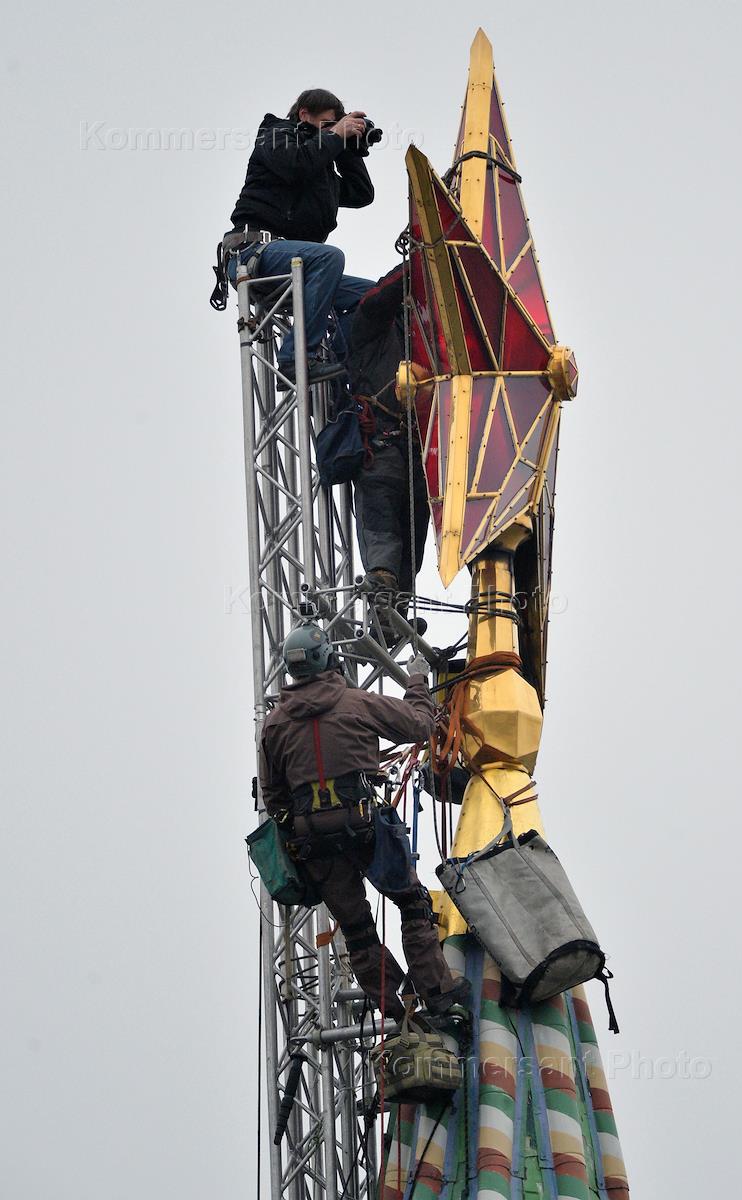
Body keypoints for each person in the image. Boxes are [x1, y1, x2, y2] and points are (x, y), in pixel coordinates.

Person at [258, 623, 470, 1021]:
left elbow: (274, 798)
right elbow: (420, 724)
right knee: (412, 903)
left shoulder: (275, 725)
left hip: (315, 846)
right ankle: (439, 994)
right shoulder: (356, 703)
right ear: (329, 660)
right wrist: (418, 680)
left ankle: (400, 1012)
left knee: (357, 931)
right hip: (365, 830)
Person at [224, 89, 376, 387]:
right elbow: (295, 165)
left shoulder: (318, 170)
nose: (332, 131)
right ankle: (295, 358)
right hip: (252, 250)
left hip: (293, 261)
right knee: (330, 257)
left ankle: (341, 376)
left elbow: (361, 193)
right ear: (304, 114)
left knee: (372, 297)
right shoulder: (275, 134)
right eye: (327, 124)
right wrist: (336, 135)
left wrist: (348, 147)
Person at [347, 265, 431, 619]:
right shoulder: (370, 328)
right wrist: (420, 262)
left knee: (412, 543)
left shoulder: (422, 341)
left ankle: (396, 614)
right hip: (381, 449)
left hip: (418, 455)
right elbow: (378, 300)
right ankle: (383, 604)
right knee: (382, 532)